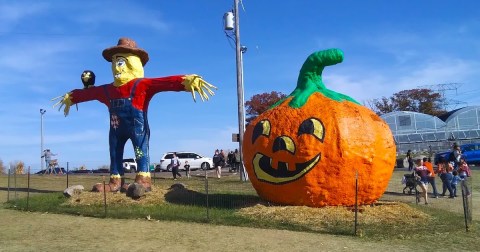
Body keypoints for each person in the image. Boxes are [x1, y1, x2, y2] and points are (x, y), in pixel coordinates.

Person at [53, 37, 216, 196]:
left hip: (138, 128)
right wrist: (72, 97)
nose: (117, 67)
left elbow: (165, 82)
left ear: (133, 62)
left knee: (140, 151)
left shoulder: (141, 85)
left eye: (121, 62)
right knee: (115, 153)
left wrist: (187, 81)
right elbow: (90, 93)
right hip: (116, 129)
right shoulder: (108, 90)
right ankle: (116, 181)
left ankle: (143, 178)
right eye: (115, 62)